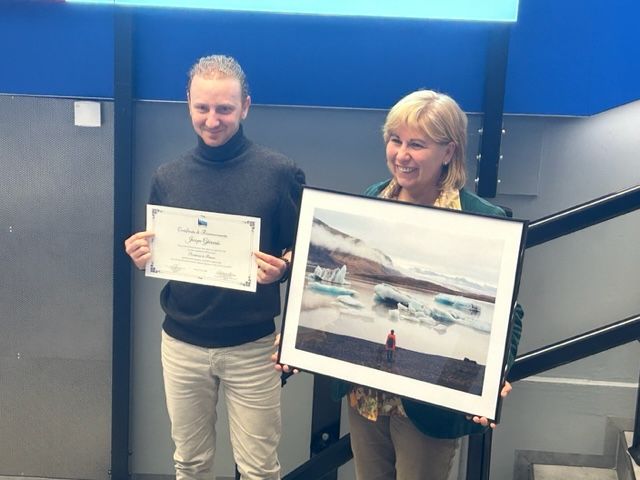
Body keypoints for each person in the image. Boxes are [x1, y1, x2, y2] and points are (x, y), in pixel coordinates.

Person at [124, 55, 305, 480]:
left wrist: (283, 269)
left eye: (224, 108)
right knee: (189, 464)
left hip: (252, 347)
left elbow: (304, 253)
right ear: (187, 103)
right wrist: (142, 256)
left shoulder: (279, 173)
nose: (212, 120)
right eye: (202, 107)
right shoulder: (168, 177)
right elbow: (163, 251)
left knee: (259, 469)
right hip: (182, 344)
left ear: (245, 106)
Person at [334, 89, 524, 480]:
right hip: (367, 395)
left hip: (430, 405)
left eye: (417, 145)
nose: (401, 155)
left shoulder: (483, 219)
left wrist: (496, 372)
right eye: (395, 140)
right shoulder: (372, 198)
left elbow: (510, 312)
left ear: (448, 151)